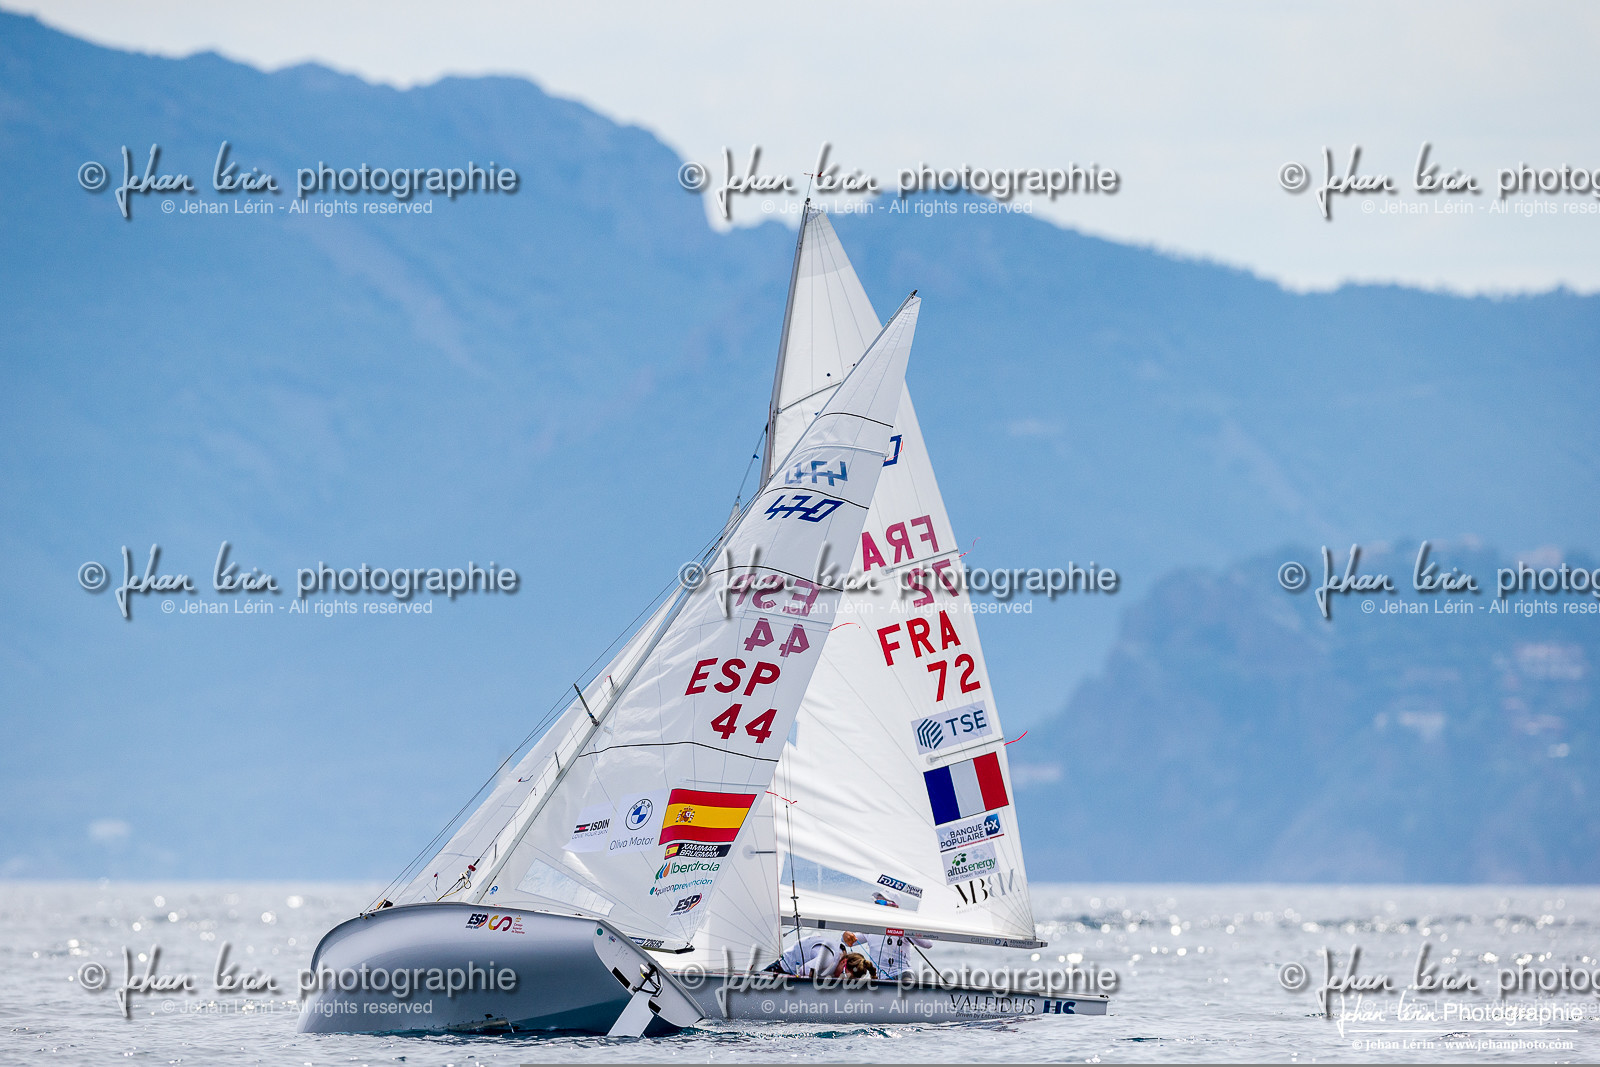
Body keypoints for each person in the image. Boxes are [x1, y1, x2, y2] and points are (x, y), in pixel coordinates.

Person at [864, 930, 933, 981]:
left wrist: (907, 930)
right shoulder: (870, 929)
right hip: (879, 979)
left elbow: (928, 944)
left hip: (903, 974)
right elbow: (854, 939)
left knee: (906, 986)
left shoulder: (902, 926)